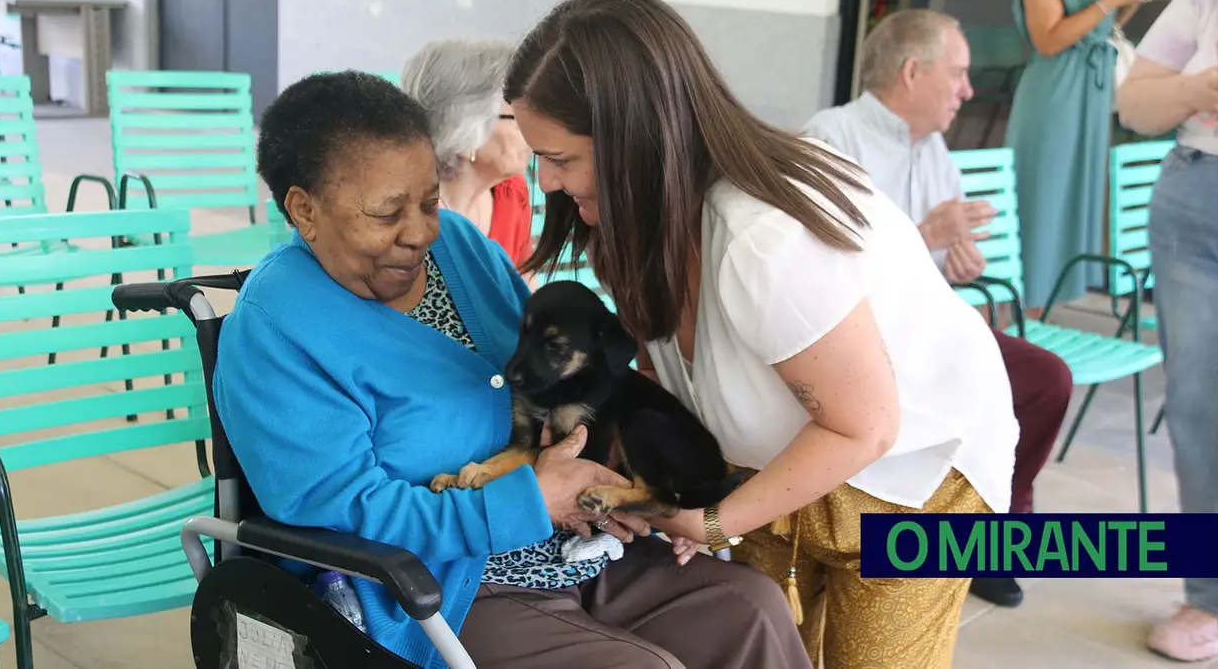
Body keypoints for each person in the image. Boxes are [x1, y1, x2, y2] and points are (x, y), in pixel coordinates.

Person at [211, 70, 809, 669]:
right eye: (387, 213)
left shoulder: (463, 249)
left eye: (428, 201)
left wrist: (613, 486)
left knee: (750, 606)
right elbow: (337, 509)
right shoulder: (277, 327)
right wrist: (529, 503)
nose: (420, 232)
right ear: (304, 210)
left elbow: (559, 384)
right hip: (436, 590)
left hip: (572, 550)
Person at [506, 0, 1018, 669]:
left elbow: (865, 427)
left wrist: (711, 521)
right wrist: (662, 491)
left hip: (921, 481)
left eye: (561, 159)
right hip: (780, 465)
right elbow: (668, 381)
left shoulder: (762, 239)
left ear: (636, 137)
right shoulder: (628, 226)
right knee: (764, 646)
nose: (544, 184)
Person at [803, 8, 1074, 609]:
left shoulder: (932, 149)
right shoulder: (831, 137)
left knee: (1045, 379)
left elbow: (934, 263)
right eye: (958, 74)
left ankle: (988, 536)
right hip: (859, 345)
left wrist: (954, 263)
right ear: (911, 72)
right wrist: (928, 235)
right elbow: (819, 269)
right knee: (995, 385)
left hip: (924, 334)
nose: (969, 91)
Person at [1116, 0, 1218, 660]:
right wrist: (1198, 89)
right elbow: (1135, 104)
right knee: (1199, 407)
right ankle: (1207, 595)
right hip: (1195, 198)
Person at [1005, 0, 1173, 311]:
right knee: (1042, 203)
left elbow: (1100, 27)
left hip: (1090, 93)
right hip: (1056, 92)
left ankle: (1042, 319)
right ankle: (1021, 321)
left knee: (1070, 206)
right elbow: (1048, 40)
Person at [401, 39, 535, 272]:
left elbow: (527, 292)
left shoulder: (512, 194)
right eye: (517, 117)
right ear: (465, 130)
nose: (532, 129)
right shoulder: (405, 221)